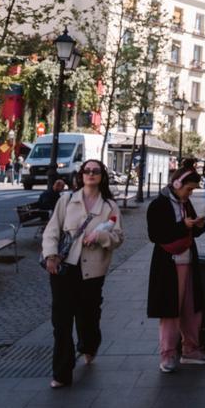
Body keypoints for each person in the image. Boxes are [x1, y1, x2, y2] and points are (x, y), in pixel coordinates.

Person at [41, 160, 124, 389]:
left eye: (95, 171)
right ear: (80, 175)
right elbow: (52, 231)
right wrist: (50, 255)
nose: (90, 174)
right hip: (64, 268)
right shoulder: (66, 200)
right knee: (62, 322)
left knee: (88, 316)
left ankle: (89, 345)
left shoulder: (109, 206)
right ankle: (62, 373)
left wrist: (100, 237)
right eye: (86, 171)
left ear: (102, 176)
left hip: (92, 271)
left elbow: (118, 237)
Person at [146, 168, 205, 373]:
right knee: (170, 311)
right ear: (177, 185)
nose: (190, 194)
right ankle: (168, 354)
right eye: (189, 189)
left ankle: (191, 350)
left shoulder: (184, 202)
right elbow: (156, 235)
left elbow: (194, 231)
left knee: (191, 308)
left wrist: (197, 225)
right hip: (168, 264)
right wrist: (184, 226)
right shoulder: (159, 205)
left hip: (188, 260)